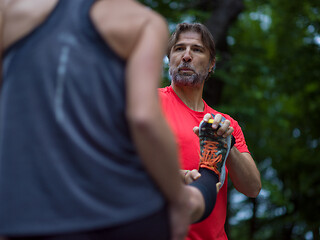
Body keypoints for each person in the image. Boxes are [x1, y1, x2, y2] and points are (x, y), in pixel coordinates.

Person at [0, 1, 213, 239]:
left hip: (25, 215)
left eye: (196, 50)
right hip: (118, 214)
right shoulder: (142, 22)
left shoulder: (10, 10)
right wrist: (178, 199)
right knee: (199, 196)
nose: (186, 56)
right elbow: (143, 119)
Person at [159, 22, 262, 239]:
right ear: (170, 58)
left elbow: (252, 188)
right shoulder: (148, 104)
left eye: (196, 49)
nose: (186, 56)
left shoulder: (226, 123)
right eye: (179, 49)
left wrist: (228, 143)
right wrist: (174, 178)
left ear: (212, 64)